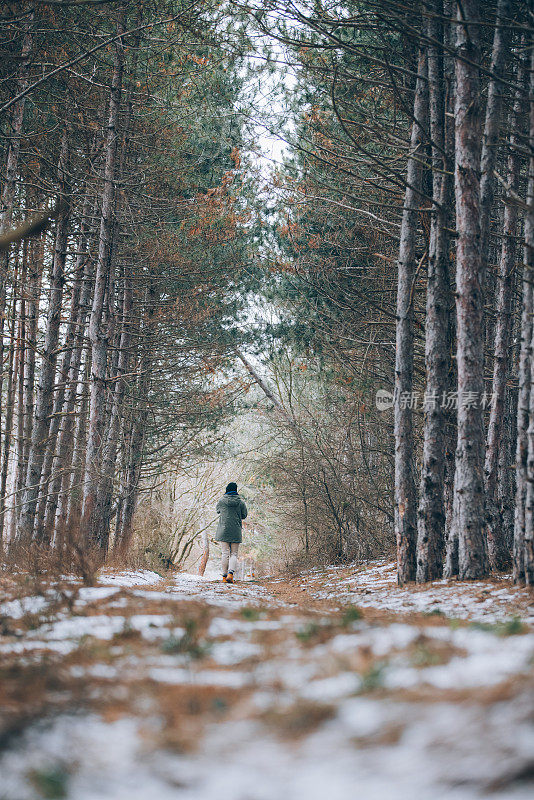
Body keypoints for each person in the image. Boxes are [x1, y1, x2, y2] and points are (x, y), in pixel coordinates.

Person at [215, 482, 247, 584]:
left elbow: (218, 511)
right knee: (234, 553)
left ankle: (224, 577)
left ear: (227, 489)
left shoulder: (221, 501)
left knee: (225, 553)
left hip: (223, 530)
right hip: (236, 530)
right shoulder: (241, 503)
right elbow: (244, 515)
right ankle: (230, 574)